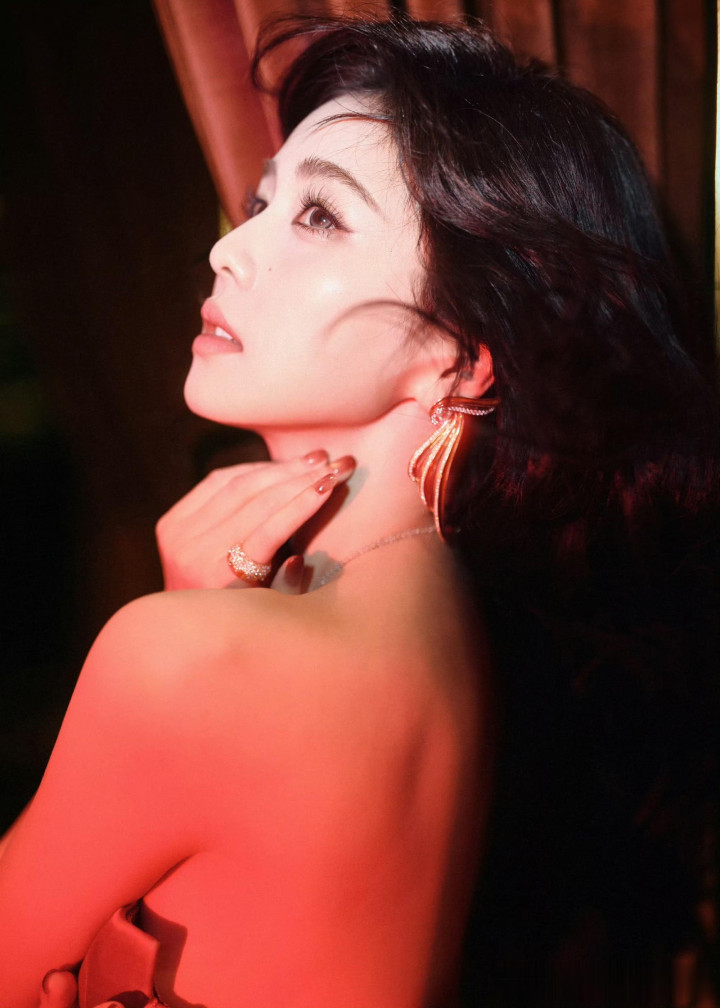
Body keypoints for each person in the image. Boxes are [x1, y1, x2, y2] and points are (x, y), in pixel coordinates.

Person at [1, 13, 716, 1008]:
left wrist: (195, 630)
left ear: (459, 360)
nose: (229, 249)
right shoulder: (462, 629)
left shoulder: (189, 664)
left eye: (320, 217)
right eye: (261, 201)